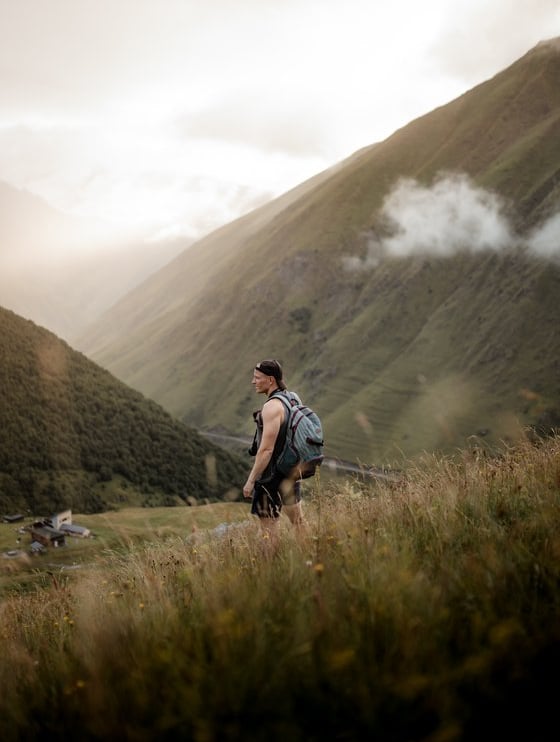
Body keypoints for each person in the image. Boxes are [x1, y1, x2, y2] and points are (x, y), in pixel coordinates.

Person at [242, 359, 306, 535]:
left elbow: (266, 450)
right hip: (291, 469)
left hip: (269, 477)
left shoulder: (271, 407)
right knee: (298, 522)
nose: (253, 381)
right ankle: (311, 554)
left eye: (257, 377)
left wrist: (251, 480)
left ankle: (269, 561)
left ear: (270, 380)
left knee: (268, 530)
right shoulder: (292, 398)